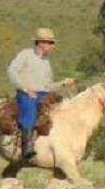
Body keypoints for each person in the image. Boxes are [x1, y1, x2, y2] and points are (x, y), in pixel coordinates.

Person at [6, 27, 75, 159]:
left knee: (62, 105)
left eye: (52, 43)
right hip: (26, 93)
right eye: (50, 42)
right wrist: (24, 88)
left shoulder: (46, 62)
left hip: (42, 93)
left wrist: (62, 84)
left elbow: (47, 86)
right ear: (41, 42)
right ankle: (27, 147)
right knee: (30, 108)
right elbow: (12, 71)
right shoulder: (25, 54)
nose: (53, 46)